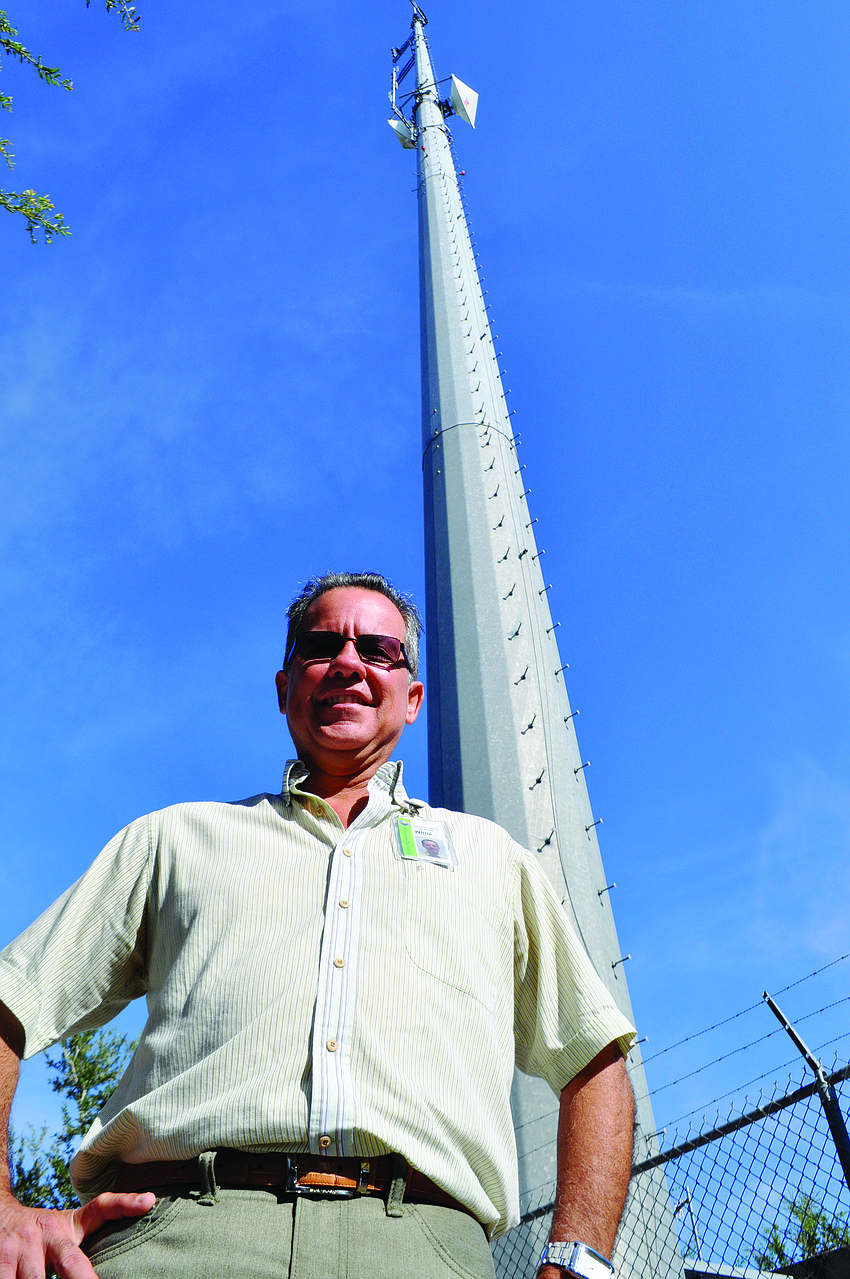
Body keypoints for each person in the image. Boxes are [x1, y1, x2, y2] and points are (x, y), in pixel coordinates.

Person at [0, 571, 636, 1279]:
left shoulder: (495, 860)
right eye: (322, 643)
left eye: (378, 649)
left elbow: (594, 1065)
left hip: (422, 1248)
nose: (349, 661)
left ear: (414, 697)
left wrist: (577, 1265)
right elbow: (11, 996)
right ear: (284, 687)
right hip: (180, 1238)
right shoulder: (175, 841)